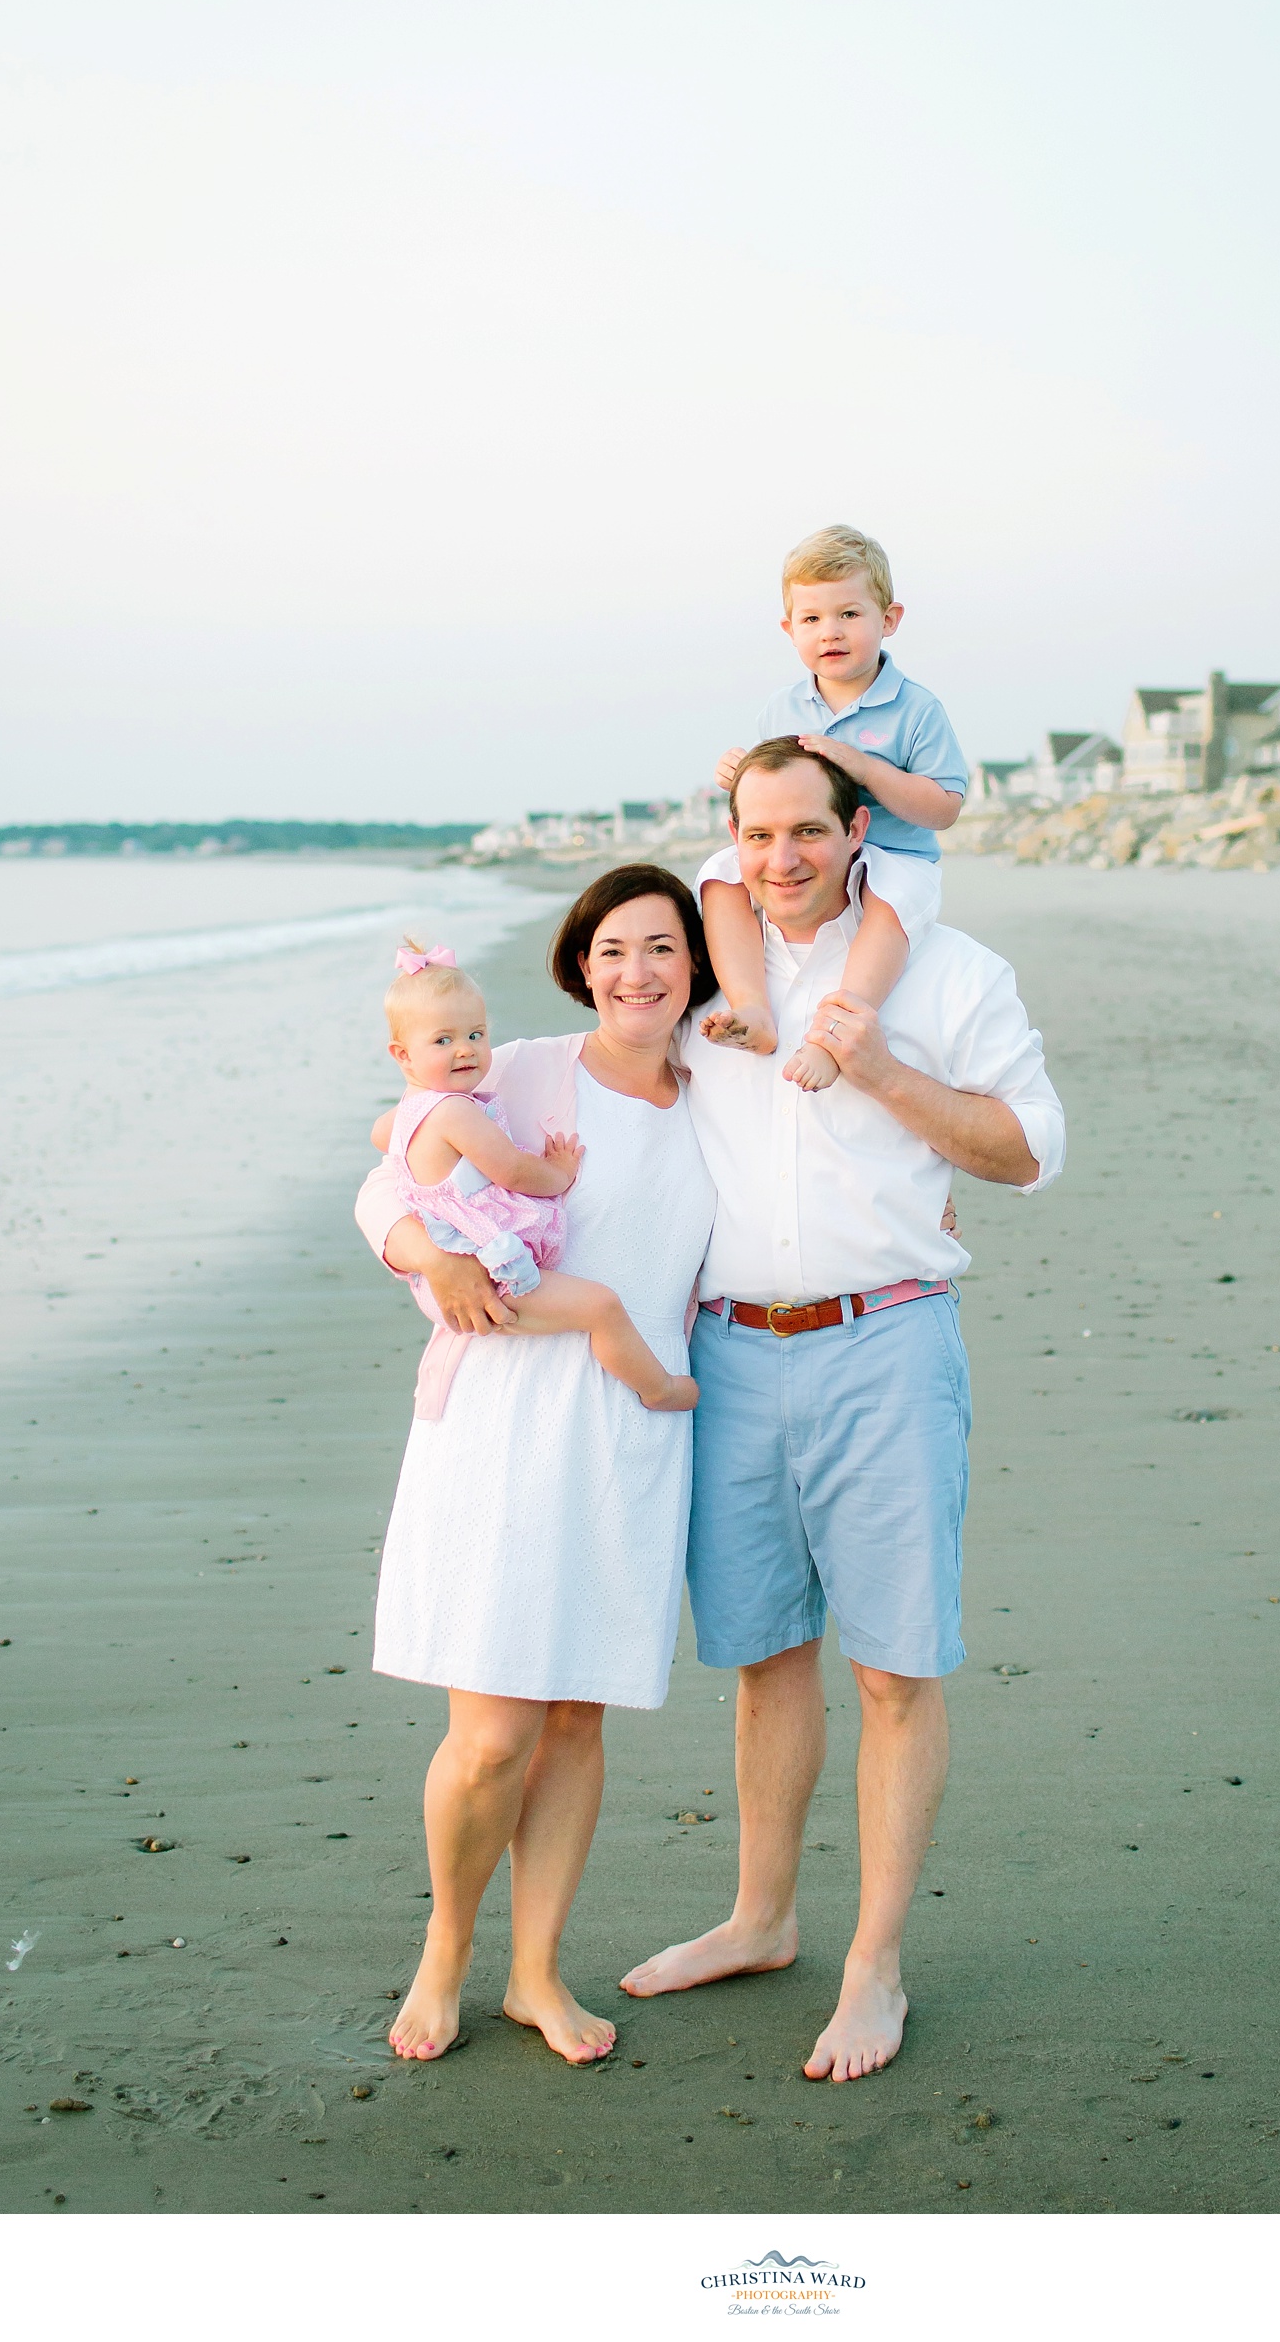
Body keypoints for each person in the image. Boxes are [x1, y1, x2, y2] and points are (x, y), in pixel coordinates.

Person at [619, 739, 1064, 2082]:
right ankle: (761, 1916)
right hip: (731, 1354)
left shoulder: (947, 969)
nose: (783, 860)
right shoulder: (703, 981)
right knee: (763, 1656)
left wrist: (874, 1068)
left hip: (887, 1342)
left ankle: (874, 1962)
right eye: (757, 838)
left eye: (807, 831)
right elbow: (571, 1060)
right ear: (731, 842)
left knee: (893, 1665)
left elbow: (1030, 1151)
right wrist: (408, 1172)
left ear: (855, 825)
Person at [354, 870, 717, 2066]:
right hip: (506, 1422)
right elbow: (387, 1170)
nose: (637, 972)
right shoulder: (520, 1068)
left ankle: (536, 1973)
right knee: (493, 1731)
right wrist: (424, 1254)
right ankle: (444, 1953)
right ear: (580, 962)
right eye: (613, 948)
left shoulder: (723, 1090)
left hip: (631, 1438)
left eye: (663, 948)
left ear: (698, 964)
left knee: (573, 1720)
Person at [698, 524, 968, 1090]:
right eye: (813, 619)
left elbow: (944, 806)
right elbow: (769, 783)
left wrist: (867, 768)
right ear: (789, 629)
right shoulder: (783, 706)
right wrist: (739, 771)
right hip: (818, 853)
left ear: (888, 620)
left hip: (895, 853)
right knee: (720, 872)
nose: (831, 632)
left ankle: (835, 1034)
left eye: (850, 614)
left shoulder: (915, 708)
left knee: (890, 900)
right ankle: (752, 1007)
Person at [375, 938, 696, 1411]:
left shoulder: (412, 1113)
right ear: (402, 1055)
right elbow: (513, 1169)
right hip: (487, 1272)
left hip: (467, 1269)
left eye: (476, 1035)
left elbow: (385, 1137)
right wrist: (559, 1173)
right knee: (600, 1308)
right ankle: (659, 1388)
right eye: (443, 1041)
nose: (465, 1051)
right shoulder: (456, 1114)